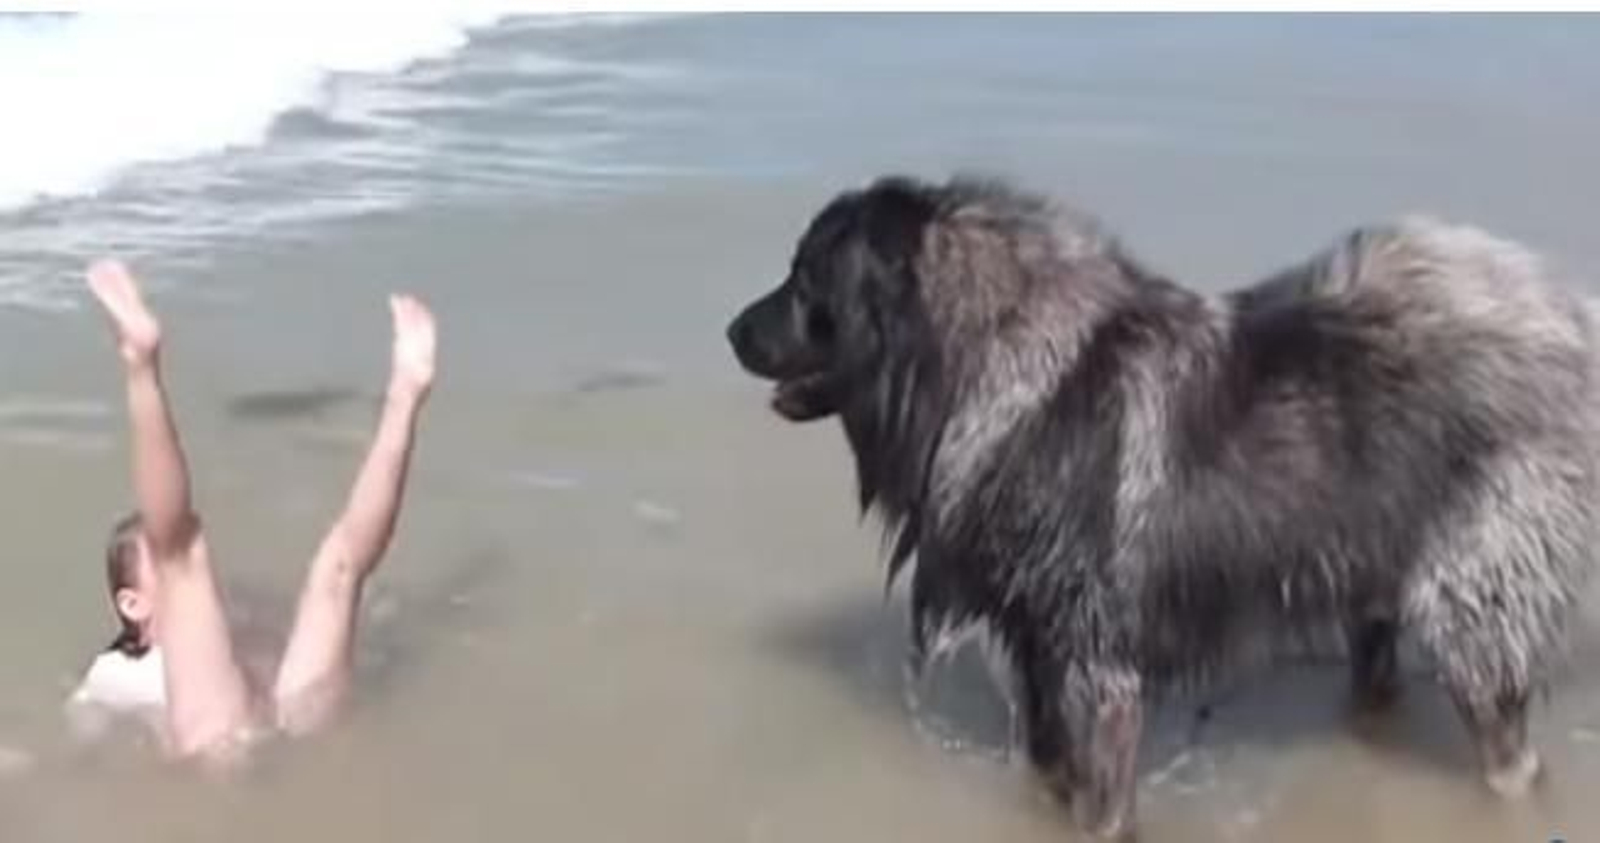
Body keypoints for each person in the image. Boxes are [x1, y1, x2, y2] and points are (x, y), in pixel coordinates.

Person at [65, 259, 437, 768]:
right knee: (189, 556)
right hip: (250, 732)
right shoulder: (115, 676)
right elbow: (79, 749)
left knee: (340, 569)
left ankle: (405, 396)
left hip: (276, 717)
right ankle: (142, 367)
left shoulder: (230, 626)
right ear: (132, 604)